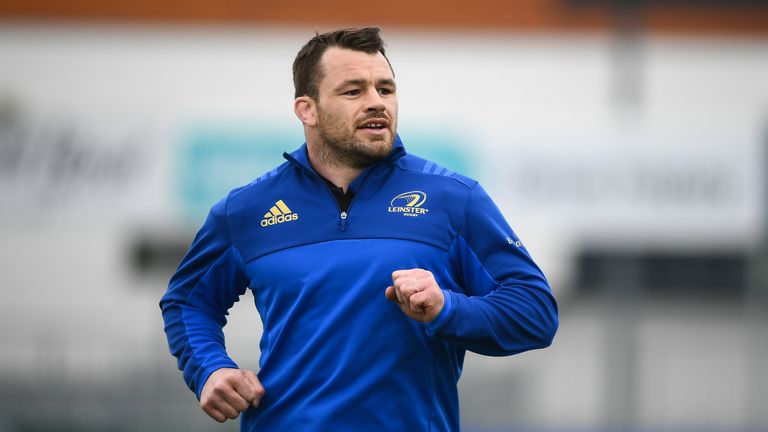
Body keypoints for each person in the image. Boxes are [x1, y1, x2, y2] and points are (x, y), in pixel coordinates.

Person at [160, 27, 558, 432]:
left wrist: (448, 309)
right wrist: (209, 368)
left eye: (385, 89)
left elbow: (535, 311)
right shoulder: (245, 210)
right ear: (306, 109)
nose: (376, 103)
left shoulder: (454, 199)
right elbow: (188, 303)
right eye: (353, 91)